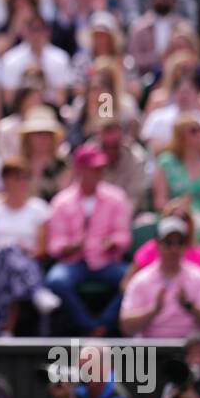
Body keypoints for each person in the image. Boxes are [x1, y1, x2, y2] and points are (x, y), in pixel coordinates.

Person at [44, 143, 132, 336]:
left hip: (106, 261)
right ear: (80, 169)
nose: (98, 173)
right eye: (93, 168)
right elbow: (54, 245)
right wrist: (72, 246)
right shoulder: (62, 202)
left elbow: (124, 236)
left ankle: (103, 325)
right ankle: (89, 326)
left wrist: (113, 243)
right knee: (56, 280)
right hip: (74, 263)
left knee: (132, 279)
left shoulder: (116, 198)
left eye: (100, 168)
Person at [120, 217, 200, 338]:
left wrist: (189, 306)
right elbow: (126, 325)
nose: (174, 249)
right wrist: (153, 310)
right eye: (168, 243)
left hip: (191, 349)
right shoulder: (141, 280)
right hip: (153, 351)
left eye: (180, 243)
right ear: (157, 244)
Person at [48, 344, 134, 398]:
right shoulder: (82, 391)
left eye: (90, 368)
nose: (85, 374)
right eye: (81, 367)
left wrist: (68, 397)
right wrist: (65, 396)